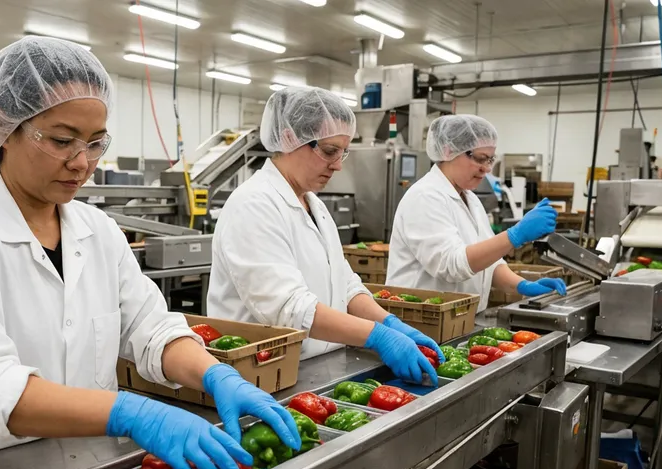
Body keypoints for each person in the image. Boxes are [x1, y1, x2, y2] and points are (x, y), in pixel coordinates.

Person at [0, 37, 300, 469]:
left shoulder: (98, 231)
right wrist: (130, 412)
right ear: (2, 127)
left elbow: (151, 328)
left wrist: (213, 373)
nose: (82, 163)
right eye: (63, 141)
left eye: (95, 143)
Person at [208, 87, 442, 385]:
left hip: (318, 367)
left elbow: (344, 284)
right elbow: (290, 309)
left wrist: (389, 323)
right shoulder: (253, 205)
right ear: (291, 138)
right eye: (329, 151)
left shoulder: (314, 204)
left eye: (343, 152)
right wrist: (376, 336)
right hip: (262, 378)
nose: (338, 164)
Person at [386, 115, 566, 312]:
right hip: (420, 322)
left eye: (490, 160)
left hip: (459, 321)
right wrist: (515, 235)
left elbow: (488, 262)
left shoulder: (470, 199)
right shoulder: (425, 197)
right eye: (480, 159)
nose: (486, 169)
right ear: (448, 151)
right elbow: (452, 265)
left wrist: (522, 285)